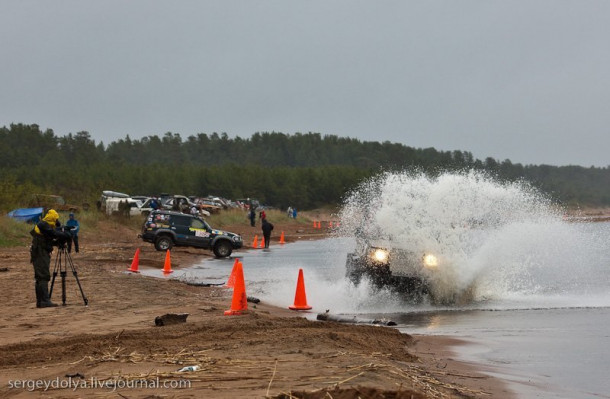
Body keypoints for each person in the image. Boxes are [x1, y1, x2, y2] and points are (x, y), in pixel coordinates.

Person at [29, 209, 69, 308]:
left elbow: (48, 240)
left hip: (40, 252)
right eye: (56, 219)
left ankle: (40, 301)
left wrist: (58, 242)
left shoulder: (45, 226)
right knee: (43, 275)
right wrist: (65, 234)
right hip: (40, 253)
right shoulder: (43, 225)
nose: (56, 222)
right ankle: (44, 301)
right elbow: (54, 233)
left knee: (40, 276)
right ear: (52, 218)